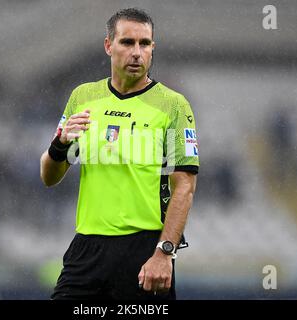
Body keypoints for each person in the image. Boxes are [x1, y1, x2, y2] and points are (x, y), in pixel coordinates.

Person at [40, 8, 199, 300]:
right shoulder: (83, 97)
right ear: (109, 45)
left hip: (143, 251)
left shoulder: (173, 106)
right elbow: (49, 177)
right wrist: (60, 144)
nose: (137, 52)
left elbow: (185, 187)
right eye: (127, 42)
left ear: (153, 48)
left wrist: (164, 253)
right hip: (87, 249)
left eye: (145, 43)